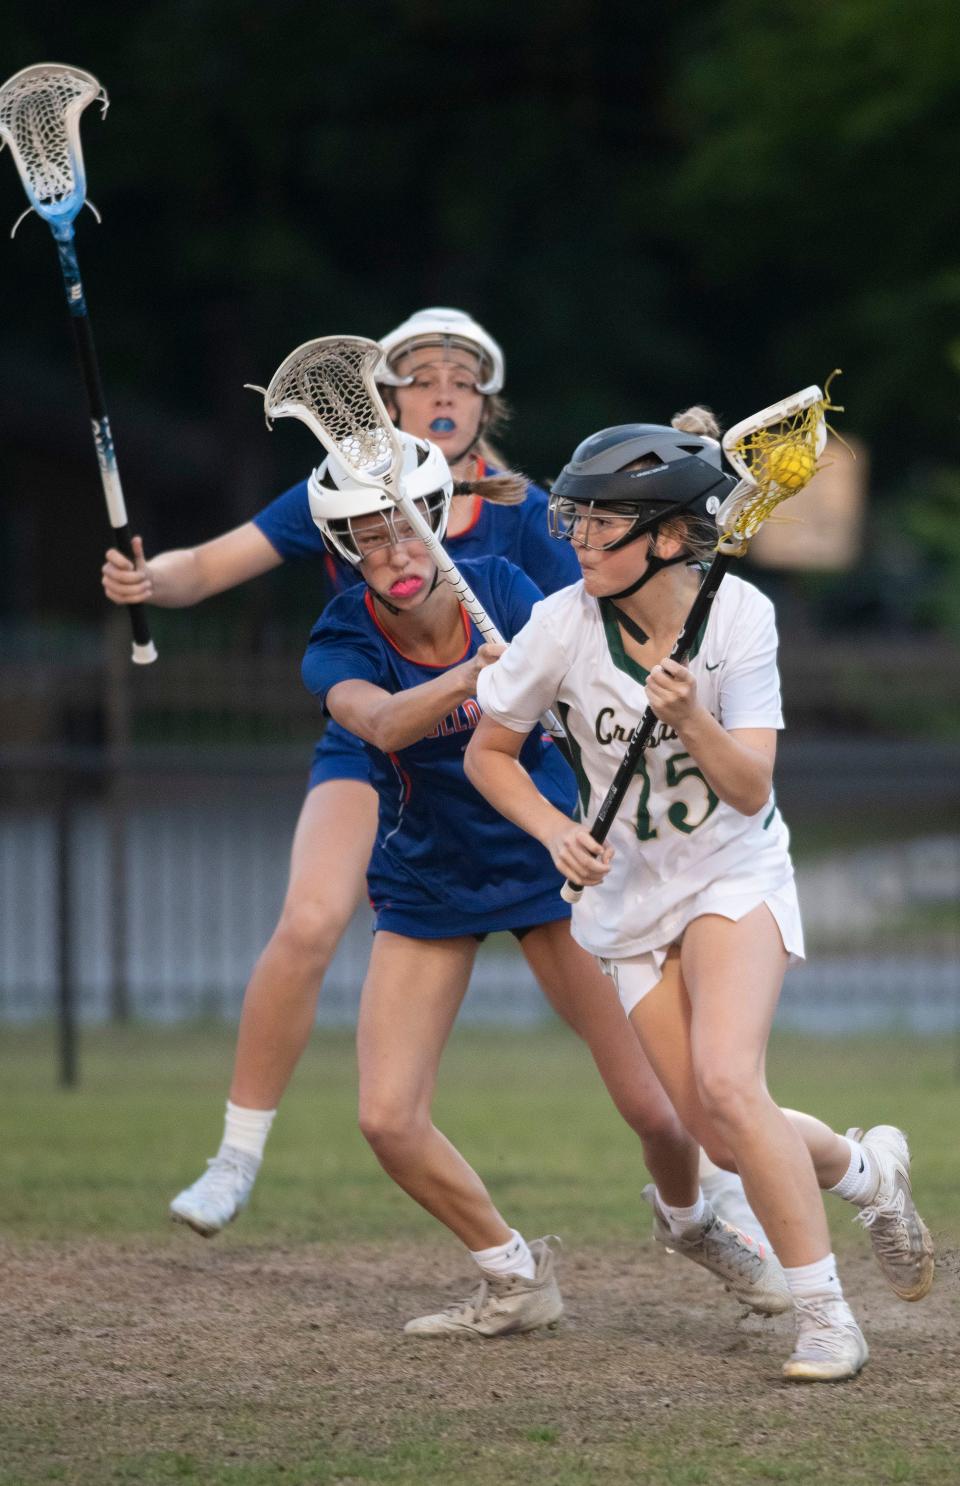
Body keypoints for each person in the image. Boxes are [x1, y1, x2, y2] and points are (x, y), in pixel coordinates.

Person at [100, 306, 761, 1241]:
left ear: (488, 404)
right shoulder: (344, 494)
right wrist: (149, 582)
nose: (442, 388)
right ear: (386, 399)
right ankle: (236, 1154)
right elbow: (207, 568)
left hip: (510, 749)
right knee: (312, 917)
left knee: (652, 1041)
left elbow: (598, 606)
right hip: (386, 740)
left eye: (462, 377)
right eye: (420, 375)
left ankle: (717, 1186)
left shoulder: (533, 508)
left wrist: (682, 496)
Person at [464, 412, 935, 1380]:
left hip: (735, 871)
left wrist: (688, 716)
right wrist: (555, 829)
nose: (580, 539)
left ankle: (827, 1318)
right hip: (630, 902)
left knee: (728, 1079)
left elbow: (752, 787)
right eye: (578, 520)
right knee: (718, 1124)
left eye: (604, 524)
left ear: (670, 537)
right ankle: (869, 1172)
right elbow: (488, 752)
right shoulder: (562, 625)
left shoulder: (741, 619)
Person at [296, 427, 789, 1334]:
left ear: (441, 519)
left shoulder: (508, 592)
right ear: (341, 548)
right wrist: (481, 676)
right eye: (368, 535)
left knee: (661, 1108)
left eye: (407, 527)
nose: (395, 552)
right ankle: (514, 1275)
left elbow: (598, 652)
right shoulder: (339, 637)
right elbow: (385, 724)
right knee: (386, 1117)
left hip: (558, 858)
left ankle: (692, 1224)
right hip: (430, 875)